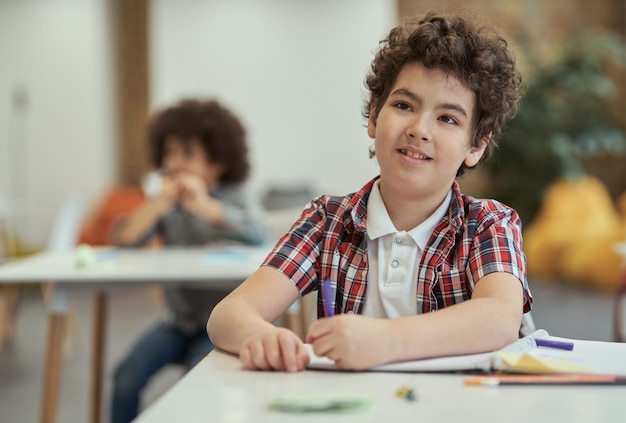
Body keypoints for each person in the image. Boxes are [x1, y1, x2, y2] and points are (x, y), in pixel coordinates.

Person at [207, 11, 532, 373]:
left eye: (448, 119)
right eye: (404, 105)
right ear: (375, 117)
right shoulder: (326, 221)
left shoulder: (489, 224)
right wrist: (260, 337)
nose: (419, 129)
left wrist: (387, 340)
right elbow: (228, 314)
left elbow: (499, 318)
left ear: (475, 146)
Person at [110, 99, 267, 423]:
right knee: (125, 376)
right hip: (177, 321)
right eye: (168, 153)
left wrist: (207, 207)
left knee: (196, 384)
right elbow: (124, 239)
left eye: (187, 154)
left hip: (221, 326)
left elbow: (260, 234)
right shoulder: (165, 205)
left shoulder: (233, 196)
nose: (174, 163)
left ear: (218, 162)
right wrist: (158, 205)